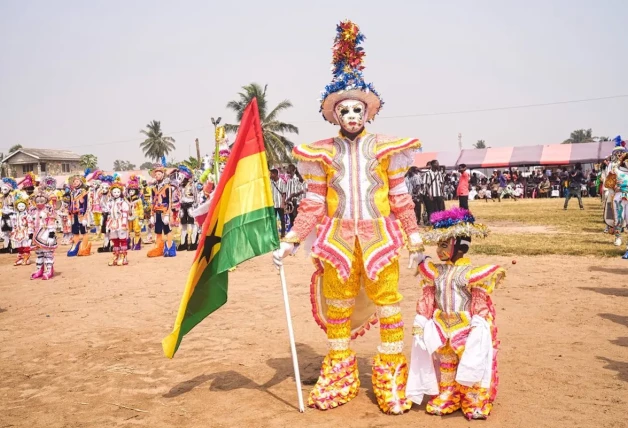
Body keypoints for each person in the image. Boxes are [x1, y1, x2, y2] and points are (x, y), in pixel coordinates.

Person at [272, 20, 424, 415]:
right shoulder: (321, 153)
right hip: (337, 240)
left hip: (382, 239)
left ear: (368, 112)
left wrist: (416, 238)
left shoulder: (387, 149)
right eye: (346, 109)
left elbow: (400, 195)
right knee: (338, 304)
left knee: (389, 304)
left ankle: (389, 375)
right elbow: (313, 201)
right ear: (335, 115)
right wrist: (291, 239)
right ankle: (340, 371)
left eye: (359, 108)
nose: (353, 114)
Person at [407, 207, 504, 420]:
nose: (439, 250)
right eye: (438, 245)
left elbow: (479, 299)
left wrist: (479, 322)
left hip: (465, 328)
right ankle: (448, 394)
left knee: (470, 362)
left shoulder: (472, 274)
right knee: (447, 363)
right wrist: (421, 320)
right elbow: (428, 296)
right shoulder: (436, 271)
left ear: (460, 246)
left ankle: (472, 399)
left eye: (444, 245)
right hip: (442, 326)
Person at [30, 178, 59, 280]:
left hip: (46, 233)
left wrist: (51, 235)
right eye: (37, 201)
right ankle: (39, 269)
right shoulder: (33, 210)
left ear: (46, 200)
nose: (39, 202)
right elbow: (30, 222)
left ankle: (49, 270)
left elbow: (52, 222)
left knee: (47, 253)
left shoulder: (49, 209)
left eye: (41, 200)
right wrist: (30, 234)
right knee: (38, 253)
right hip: (36, 234)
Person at [147, 166, 176, 257]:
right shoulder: (153, 188)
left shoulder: (167, 187)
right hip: (156, 212)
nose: (157, 176)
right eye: (156, 174)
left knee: (167, 230)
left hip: (164, 212)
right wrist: (151, 215)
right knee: (158, 231)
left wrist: (167, 214)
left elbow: (169, 201)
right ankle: (159, 248)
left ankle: (170, 247)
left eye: (159, 174)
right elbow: (152, 201)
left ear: (163, 175)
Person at [105, 179, 130, 266]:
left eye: (118, 192)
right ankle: (116, 255)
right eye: (114, 192)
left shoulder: (123, 202)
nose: (116, 194)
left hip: (120, 222)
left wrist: (123, 224)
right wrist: (107, 224)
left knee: (122, 239)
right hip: (113, 223)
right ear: (111, 192)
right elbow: (108, 213)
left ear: (121, 192)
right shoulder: (110, 202)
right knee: (115, 240)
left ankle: (123, 256)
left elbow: (125, 213)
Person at [67, 172, 92, 257]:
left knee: (83, 231)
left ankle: (84, 247)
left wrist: (85, 217)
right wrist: (69, 218)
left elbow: (85, 205)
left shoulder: (84, 192)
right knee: (75, 231)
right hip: (74, 214)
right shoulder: (72, 192)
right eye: (74, 182)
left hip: (81, 214)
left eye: (77, 181)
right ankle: (75, 246)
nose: (75, 183)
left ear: (81, 182)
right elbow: (70, 204)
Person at [10, 191, 33, 266]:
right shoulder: (15, 215)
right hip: (18, 232)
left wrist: (30, 233)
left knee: (26, 244)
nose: (21, 208)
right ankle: (20, 257)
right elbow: (13, 224)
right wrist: (13, 230)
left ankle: (26, 257)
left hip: (25, 231)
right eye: (19, 206)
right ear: (16, 207)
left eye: (22, 206)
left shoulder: (27, 215)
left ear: (25, 207)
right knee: (19, 245)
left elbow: (30, 224)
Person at [0, 177, 18, 254]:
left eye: (5, 189)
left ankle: (13, 246)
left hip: (12, 216)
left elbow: (16, 207)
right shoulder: (1, 198)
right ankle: (6, 246)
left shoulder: (13, 197)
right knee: (4, 232)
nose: (3, 191)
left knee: (12, 231)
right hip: (3, 215)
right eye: (2, 189)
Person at [285, 164, 305, 231]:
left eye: (290, 172)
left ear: (294, 170)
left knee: (296, 220)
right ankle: (293, 235)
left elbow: (298, 192)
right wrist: (287, 201)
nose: (289, 174)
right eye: (288, 172)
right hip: (290, 203)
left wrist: (291, 197)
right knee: (291, 220)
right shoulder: (289, 180)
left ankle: (297, 236)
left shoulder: (297, 179)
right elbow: (288, 192)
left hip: (296, 203)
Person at [270, 168, 287, 238]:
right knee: (273, 219)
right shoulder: (271, 182)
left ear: (276, 174)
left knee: (282, 219)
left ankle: (283, 233)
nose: (270, 175)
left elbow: (284, 194)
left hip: (280, 204)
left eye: (272, 174)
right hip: (273, 205)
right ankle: (274, 233)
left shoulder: (282, 182)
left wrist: (282, 203)